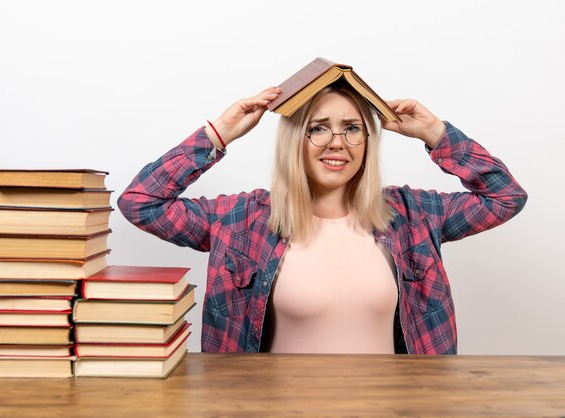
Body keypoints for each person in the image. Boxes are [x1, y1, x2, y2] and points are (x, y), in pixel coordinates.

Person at [117, 79, 527, 355]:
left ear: (367, 141)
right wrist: (218, 133)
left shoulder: (412, 215)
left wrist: (437, 133)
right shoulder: (241, 220)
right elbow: (141, 202)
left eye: (352, 128)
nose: (338, 143)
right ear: (296, 139)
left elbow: (505, 197)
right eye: (319, 128)